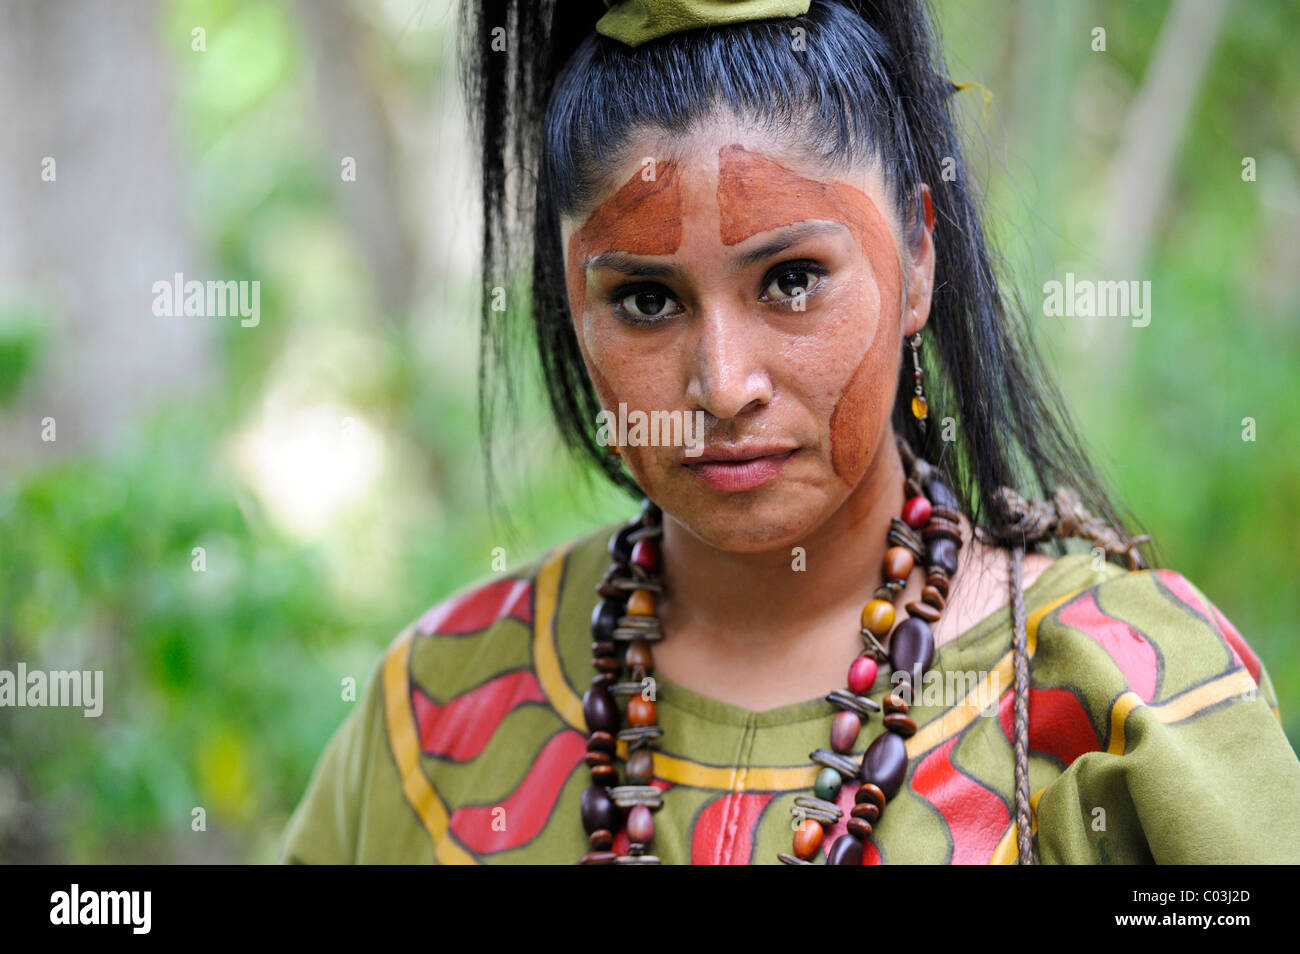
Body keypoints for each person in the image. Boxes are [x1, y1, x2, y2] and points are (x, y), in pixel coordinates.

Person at [280, 0, 1300, 864]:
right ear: (567, 299)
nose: (723, 386)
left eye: (790, 281)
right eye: (644, 300)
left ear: (917, 257)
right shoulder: (437, 713)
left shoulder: (1120, 708)